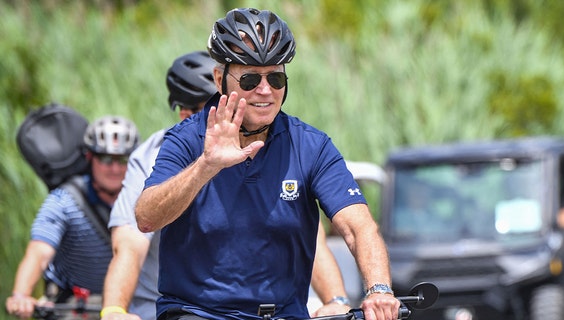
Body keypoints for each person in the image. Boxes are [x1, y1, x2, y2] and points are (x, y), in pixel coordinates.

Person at [134, 8, 399, 320]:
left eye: (275, 77)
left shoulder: (310, 146)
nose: (265, 90)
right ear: (220, 79)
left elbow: (358, 227)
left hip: (283, 314)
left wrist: (378, 290)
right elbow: (146, 218)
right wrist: (206, 165)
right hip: (199, 313)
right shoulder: (187, 139)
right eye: (249, 79)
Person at [101, 51, 352, 320]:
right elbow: (129, 244)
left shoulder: (270, 144)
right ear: (186, 114)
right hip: (171, 309)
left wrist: (336, 299)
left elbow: (308, 239)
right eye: (216, 107)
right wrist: (115, 310)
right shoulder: (158, 153)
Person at [5, 115, 139, 319]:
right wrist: (21, 295)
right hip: (74, 306)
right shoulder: (65, 201)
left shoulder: (144, 200)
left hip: (129, 305)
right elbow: (39, 252)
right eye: (105, 159)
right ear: (89, 157)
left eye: (122, 160)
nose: (114, 168)